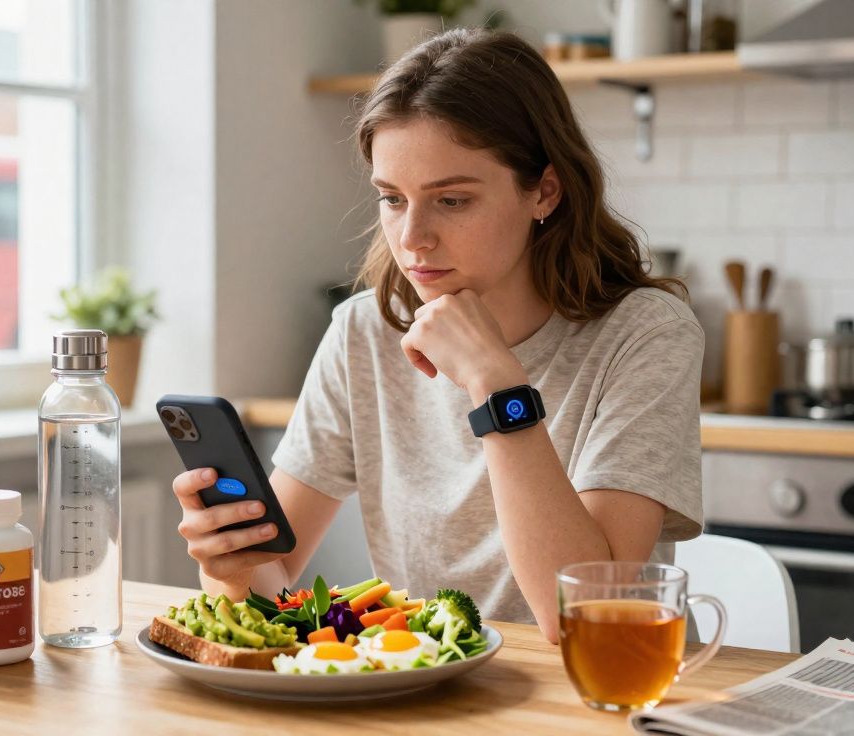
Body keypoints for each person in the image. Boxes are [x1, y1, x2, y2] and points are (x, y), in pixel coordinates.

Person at [170, 28, 703, 643]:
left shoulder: (645, 334)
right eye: (393, 199)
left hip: (593, 694)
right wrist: (229, 564)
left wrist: (495, 382)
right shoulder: (363, 331)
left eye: (451, 200)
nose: (413, 238)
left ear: (544, 192)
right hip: (424, 694)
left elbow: (579, 616)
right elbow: (272, 583)